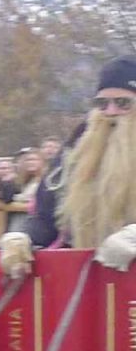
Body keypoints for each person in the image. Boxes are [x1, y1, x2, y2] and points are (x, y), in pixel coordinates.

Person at [25, 56, 136, 270]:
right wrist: (22, 238)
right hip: (88, 276)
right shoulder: (76, 148)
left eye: (123, 103)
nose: (110, 112)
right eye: (102, 104)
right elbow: (47, 216)